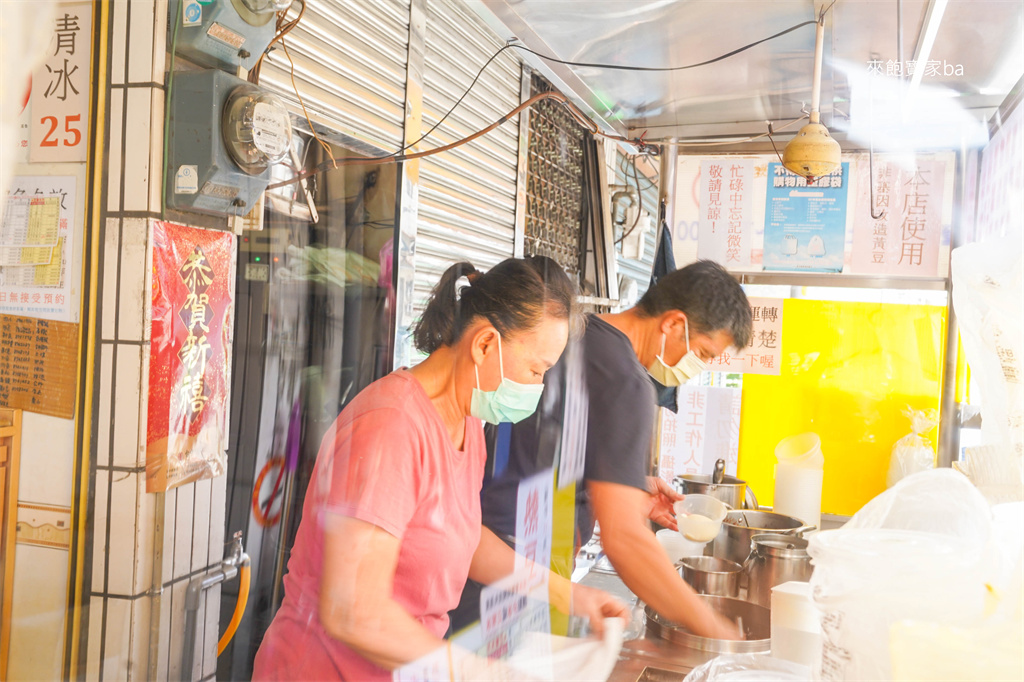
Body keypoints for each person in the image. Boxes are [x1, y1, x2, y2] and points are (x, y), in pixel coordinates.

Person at [252, 257, 627, 682]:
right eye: (535, 369)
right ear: (485, 344)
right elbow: (353, 611)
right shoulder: (390, 428)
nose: (537, 387)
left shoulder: (466, 419)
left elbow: (461, 537)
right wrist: (477, 672)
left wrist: (568, 595)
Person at [452, 259, 753, 639]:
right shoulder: (628, 384)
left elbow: (547, 442)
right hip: (514, 583)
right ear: (674, 324)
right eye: (705, 354)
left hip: (472, 557)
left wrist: (625, 483)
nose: (698, 368)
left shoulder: (576, 330)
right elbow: (624, 540)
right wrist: (715, 627)